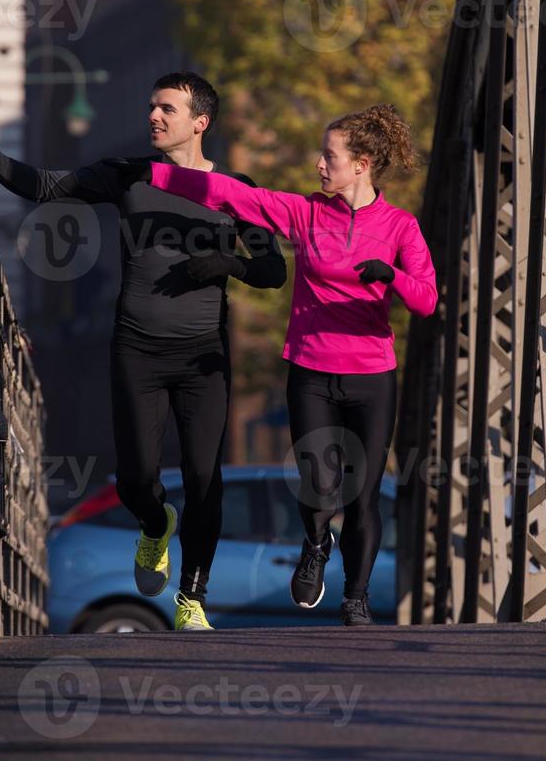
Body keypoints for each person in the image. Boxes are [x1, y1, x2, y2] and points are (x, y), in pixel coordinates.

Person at [0, 72, 286, 631]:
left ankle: (192, 597)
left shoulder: (236, 190)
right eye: (151, 106)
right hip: (137, 348)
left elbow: (273, 270)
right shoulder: (130, 175)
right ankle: (154, 525)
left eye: (167, 109)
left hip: (202, 357)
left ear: (201, 122)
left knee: (204, 478)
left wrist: (230, 264)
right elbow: (46, 186)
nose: (153, 116)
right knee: (134, 479)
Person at [140, 103, 436, 626]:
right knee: (318, 487)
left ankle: (356, 599)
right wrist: (155, 174)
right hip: (311, 370)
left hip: (372, 375)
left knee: (364, 495)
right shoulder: (306, 214)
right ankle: (316, 543)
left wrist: (389, 274)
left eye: (330, 156)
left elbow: (426, 300)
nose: (319, 164)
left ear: (362, 164)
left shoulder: (400, 227)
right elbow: (235, 195)